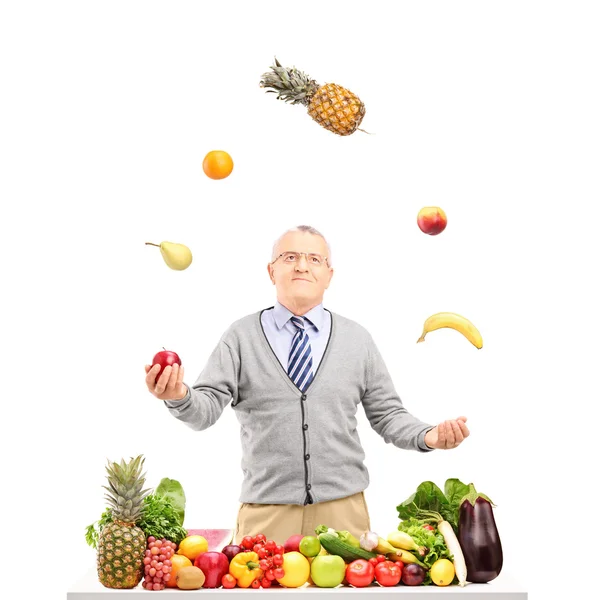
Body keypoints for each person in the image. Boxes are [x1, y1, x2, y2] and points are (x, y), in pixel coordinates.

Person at [145, 225, 470, 545]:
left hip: (344, 513)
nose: (301, 265)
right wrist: (179, 396)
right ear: (271, 271)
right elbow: (204, 411)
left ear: (329, 274)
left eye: (314, 259)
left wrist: (428, 436)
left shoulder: (357, 339)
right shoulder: (240, 337)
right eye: (290, 257)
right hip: (265, 513)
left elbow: (387, 415)